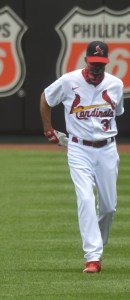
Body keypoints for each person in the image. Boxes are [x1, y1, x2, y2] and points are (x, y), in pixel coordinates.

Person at [40, 41, 124, 273]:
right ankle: (93, 256)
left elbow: (116, 112)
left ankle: (97, 241)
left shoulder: (115, 84)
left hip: (107, 148)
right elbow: (46, 98)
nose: (97, 67)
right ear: (86, 60)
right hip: (78, 149)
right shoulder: (69, 81)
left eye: (101, 64)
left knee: (109, 208)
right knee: (85, 199)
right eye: (93, 63)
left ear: (106, 63)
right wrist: (49, 129)